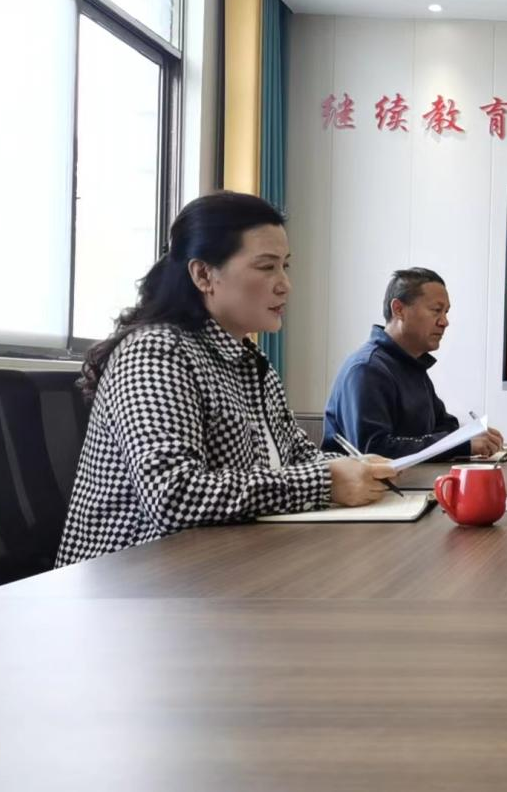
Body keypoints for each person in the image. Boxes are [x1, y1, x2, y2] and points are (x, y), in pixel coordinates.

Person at [57, 191, 398, 567]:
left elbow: (300, 457)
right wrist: (325, 481)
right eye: (266, 267)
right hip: (129, 580)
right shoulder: (156, 351)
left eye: (285, 266)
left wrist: (362, 469)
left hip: (216, 566)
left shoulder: (250, 361)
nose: (285, 284)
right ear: (204, 274)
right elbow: (173, 496)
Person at [323, 268, 504, 460]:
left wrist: (468, 436)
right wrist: (459, 445)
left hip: (414, 478)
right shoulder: (366, 369)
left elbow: (444, 425)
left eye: (446, 312)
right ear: (399, 309)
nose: (445, 322)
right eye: (436, 310)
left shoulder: (411, 365)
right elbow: (373, 450)